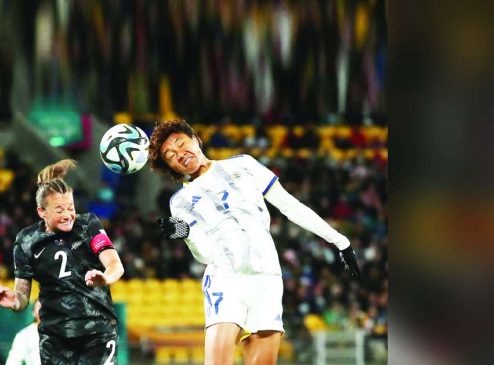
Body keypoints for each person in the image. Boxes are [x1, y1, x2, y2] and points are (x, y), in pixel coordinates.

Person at [148, 120, 360, 365]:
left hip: (267, 277)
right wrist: (187, 233)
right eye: (170, 156)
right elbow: (206, 255)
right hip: (225, 279)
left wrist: (339, 240)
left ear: (195, 139)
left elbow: (290, 206)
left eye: (180, 143)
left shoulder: (244, 165)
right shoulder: (181, 201)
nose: (179, 154)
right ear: (171, 167)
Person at [0, 159, 125, 364]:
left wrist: (105, 278)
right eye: (59, 210)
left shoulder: (88, 225)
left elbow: (115, 265)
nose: (67, 215)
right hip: (56, 337)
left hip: (97, 331)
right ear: (41, 211)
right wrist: (14, 301)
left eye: (70, 207)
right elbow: (22, 296)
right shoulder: (26, 240)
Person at [5, 300, 42, 365]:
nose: (43, 310)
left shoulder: (61, 330)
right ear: (33, 312)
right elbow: (13, 361)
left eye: (46, 307)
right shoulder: (24, 335)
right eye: (39, 306)